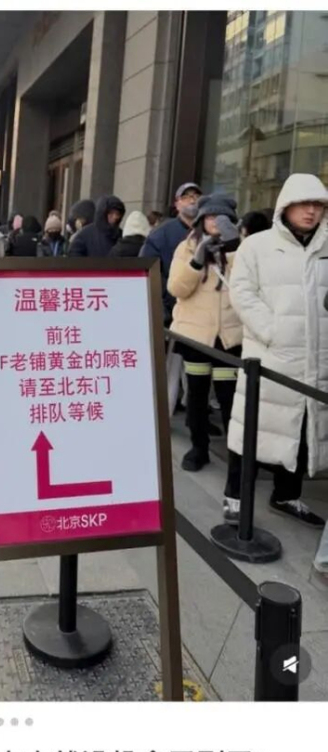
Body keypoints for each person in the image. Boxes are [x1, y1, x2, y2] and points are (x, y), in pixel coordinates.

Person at [224, 173, 328, 527]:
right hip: (269, 358)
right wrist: (272, 330)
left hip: (315, 360)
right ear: (286, 205)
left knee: (301, 430)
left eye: (318, 205)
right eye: (304, 204)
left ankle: (287, 495)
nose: (311, 211)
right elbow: (241, 292)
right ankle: (235, 498)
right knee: (251, 428)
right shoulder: (258, 246)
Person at [168, 194, 242, 472]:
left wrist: (233, 248)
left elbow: (250, 285)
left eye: (221, 218)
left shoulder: (243, 249)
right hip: (195, 336)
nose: (215, 222)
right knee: (197, 396)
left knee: (229, 397)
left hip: (229, 337)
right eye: (210, 217)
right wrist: (197, 262)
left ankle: (236, 454)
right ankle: (198, 447)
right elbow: (176, 288)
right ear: (200, 220)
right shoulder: (187, 246)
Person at [140, 182, 202, 325]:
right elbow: (148, 273)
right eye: (186, 197)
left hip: (201, 315)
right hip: (172, 314)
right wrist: (163, 311)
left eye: (196, 196)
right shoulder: (161, 234)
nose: (192, 201)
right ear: (177, 204)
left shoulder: (209, 232)